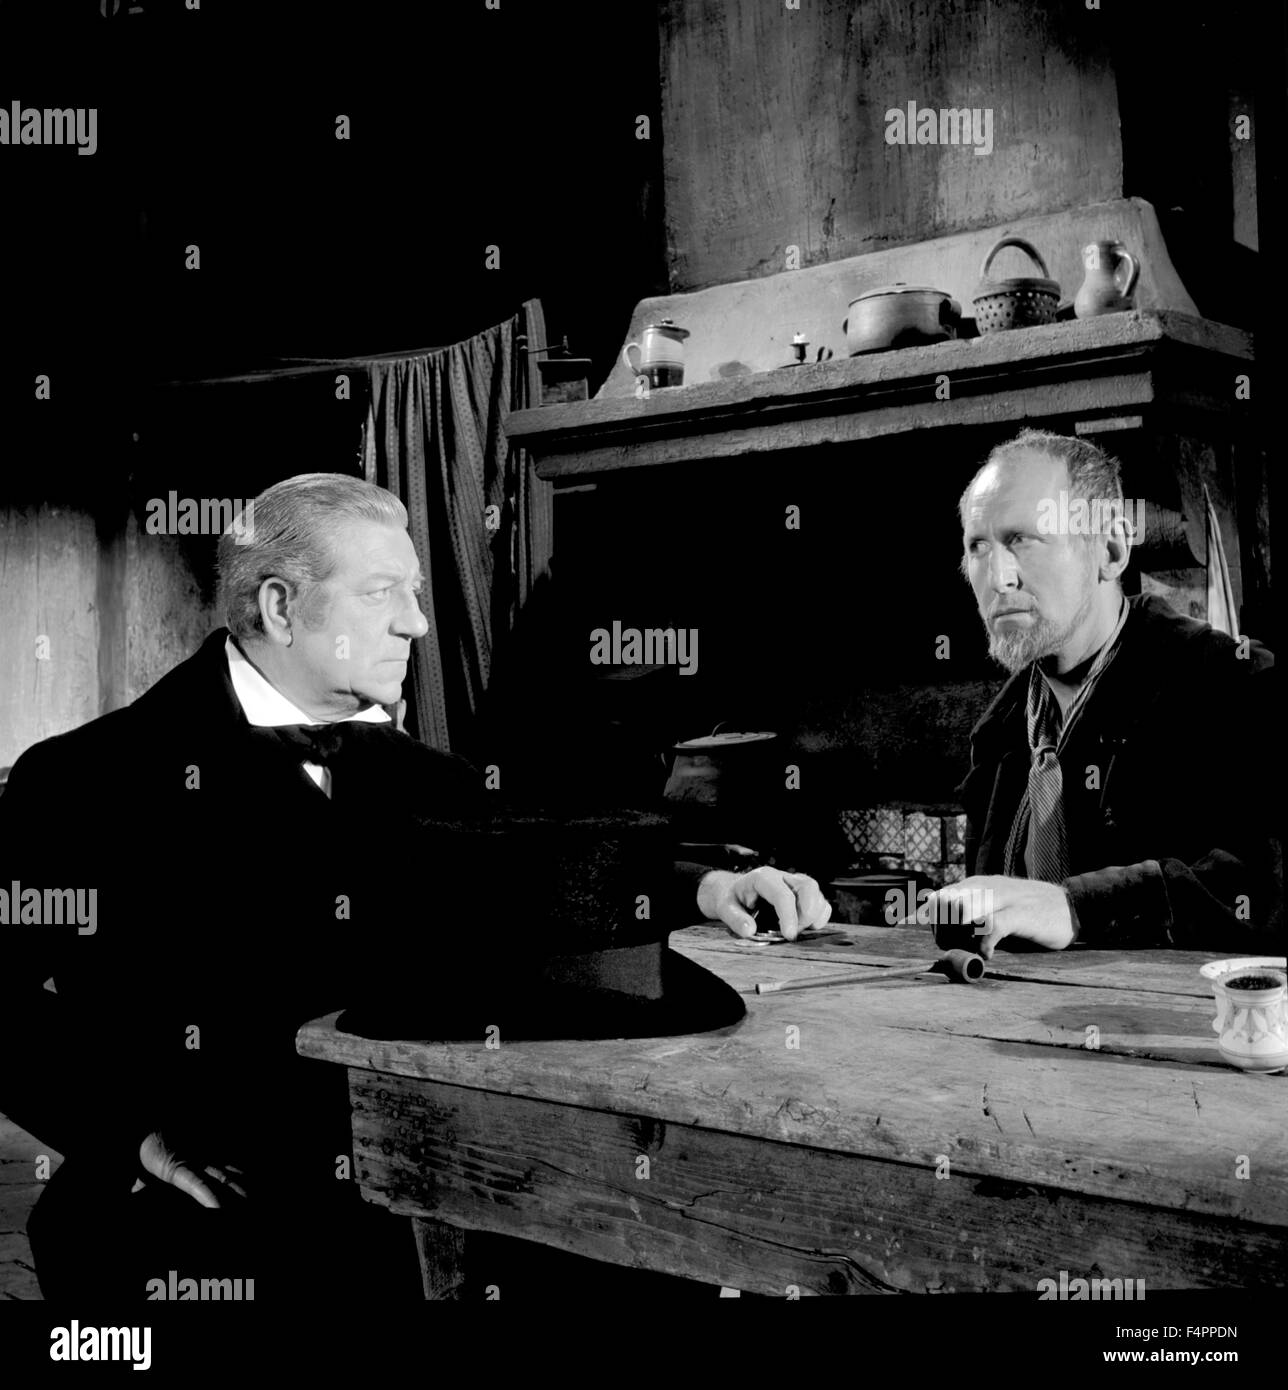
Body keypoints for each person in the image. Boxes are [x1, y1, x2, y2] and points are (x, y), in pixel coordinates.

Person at [0, 471, 825, 1301]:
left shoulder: (436, 781)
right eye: (383, 592)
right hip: (189, 1223)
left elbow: (532, 872)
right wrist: (134, 1137)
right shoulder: (83, 779)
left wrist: (712, 885)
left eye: (418, 592)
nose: (417, 622)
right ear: (281, 608)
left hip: (408, 1209)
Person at [916, 429, 1278, 956]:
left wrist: (1075, 906)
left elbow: (1268, 888)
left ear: (1110, 549)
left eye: (1022, 539)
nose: (998, 578)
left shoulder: (1236, 684)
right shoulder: (999, 733)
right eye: (978, 546)